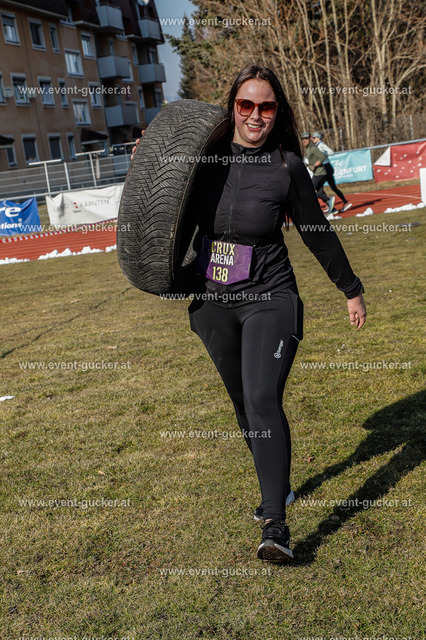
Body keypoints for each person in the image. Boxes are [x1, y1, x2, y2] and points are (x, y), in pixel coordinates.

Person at [132, 65, 366, 564]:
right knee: (243, 403)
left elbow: (316, 231)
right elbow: (158, 205)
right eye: (246, 105)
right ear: (232, 108)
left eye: (266, 106)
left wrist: (351, 289)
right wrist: (148, 168)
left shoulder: (286, 166)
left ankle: (275, 522)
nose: (256, 115)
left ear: (277, 112)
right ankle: (277, 486)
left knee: (262, 398)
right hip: (213, 301)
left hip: (269, 296)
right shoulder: (202, 162)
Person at [312, 132, 352, 212]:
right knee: (331, 188)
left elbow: (331, 152)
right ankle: (343, 202)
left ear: (318, 138)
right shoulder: (317, 145)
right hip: (325, 168)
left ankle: (331, 202)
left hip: (325, 168)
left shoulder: (321, 145)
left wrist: (322, 154)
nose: (313, 139)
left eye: (314, 137)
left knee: (317, 188)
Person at [301, 132, 336, 217]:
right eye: (303, 139)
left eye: (306, 138)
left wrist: (314, 165)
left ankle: (328, 200)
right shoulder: (308, 148)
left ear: (310, 139)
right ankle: (332, 208)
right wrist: (308, 164)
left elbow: (322, 157)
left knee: (310, 190)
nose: (304, 140)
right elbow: (313, 159)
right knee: (319, 192)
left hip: (320, 172)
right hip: (317, 172)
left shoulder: (313, 147)